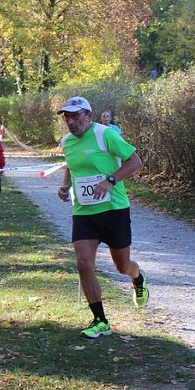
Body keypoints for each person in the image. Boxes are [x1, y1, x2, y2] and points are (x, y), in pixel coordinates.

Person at [55, 96, 150, 340]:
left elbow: (135, 161)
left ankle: (137, 278)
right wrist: (65, 186)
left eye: (75, 116)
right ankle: (100, 320)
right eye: (66, 117)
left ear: (89, 115)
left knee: (122, 267)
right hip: (85, 213)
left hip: (114, 210)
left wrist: (110, 181)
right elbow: (71, 165)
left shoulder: (104, 134)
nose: (70, 121)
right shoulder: (67, 142)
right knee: (84, 263)